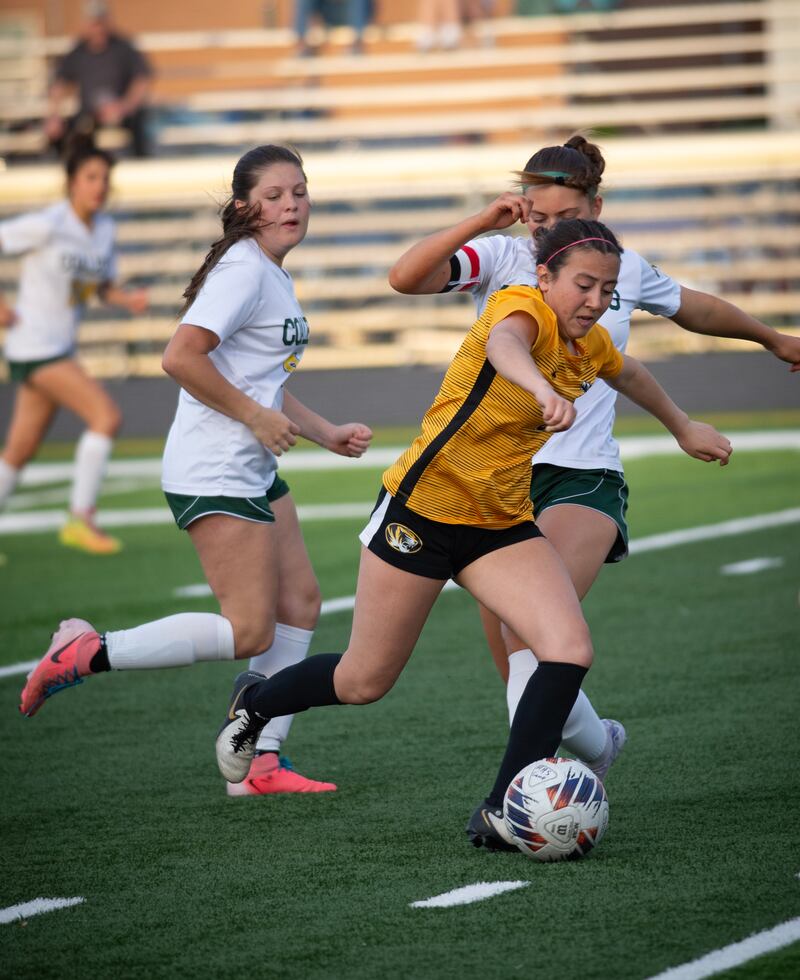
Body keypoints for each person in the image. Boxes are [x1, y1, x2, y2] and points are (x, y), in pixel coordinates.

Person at [208, 219, 731, 851]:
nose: (594, 301)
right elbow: (504, 347)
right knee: (363, 681)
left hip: (499, 521)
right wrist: (539, 388)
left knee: (568, 648)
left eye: (606, 290)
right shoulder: (522, 307)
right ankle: (258, 704)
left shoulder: (587, 343)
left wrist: (682, 426)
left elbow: (630, 372)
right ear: (546, 277)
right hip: (420, 513)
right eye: (583, 286)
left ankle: (502, 808)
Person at [387, 135, 800, 796]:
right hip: (499, 484)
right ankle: (594, 744)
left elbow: (693, 308)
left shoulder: (619, 269)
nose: (547, 230)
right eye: (538, 216)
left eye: (564, 216)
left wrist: (770, 338)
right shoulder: (505, 254)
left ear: (597, 206)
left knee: (529, 633)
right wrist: (482, 222)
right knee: (523, 661)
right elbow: (406, 278)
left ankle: (518, 797)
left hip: (583, 477)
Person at [19, 144, 374, 798]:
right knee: (249, 630)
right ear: (245, 208)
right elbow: (180, 357)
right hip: (214, 469)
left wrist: (323, 432)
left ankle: (260, 762)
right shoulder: (244, 270)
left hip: (248, 463)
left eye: (299, 190)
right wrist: (254, 418)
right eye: (274, 195)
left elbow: (257, 378)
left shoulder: (269, 270)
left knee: (301, 601)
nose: (292, 203)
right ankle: (85, 651)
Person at [0, 139, 148, 555]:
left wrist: (126, 299)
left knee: (18, 451)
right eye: (90, 177)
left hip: (57, 347)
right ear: (71, 183)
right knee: (106, 416)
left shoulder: (103, 230)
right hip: (35, 346)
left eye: (104, 178)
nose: (99, 186)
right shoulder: (49, 223)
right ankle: (80, 517)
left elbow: (97, 287)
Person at [44, 2, 153, 159]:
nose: (98, 28)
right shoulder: (78, 51)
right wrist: (54, 116)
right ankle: (70, 172)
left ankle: (142, 169)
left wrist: (123, 107)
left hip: (122, 113)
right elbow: (59, 84)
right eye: (94, 23)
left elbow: (141, 80)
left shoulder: (123, 47)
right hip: (88, 115)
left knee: (141, 123)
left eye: (101, 22)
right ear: (86, 24)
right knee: (63, 132)